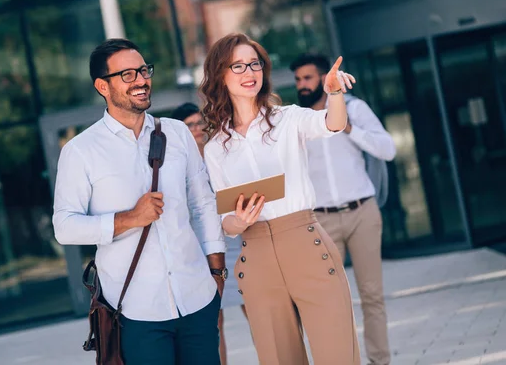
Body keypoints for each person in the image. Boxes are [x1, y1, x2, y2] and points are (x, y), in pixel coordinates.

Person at [52, 38, 227, 365]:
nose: (142, 80)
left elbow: (203, 205)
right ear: (103, 86)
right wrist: (130, 218)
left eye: (143, 70)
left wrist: (217, 273)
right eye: (128, 75)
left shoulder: (176, 134)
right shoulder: (80, 151)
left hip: (197, 300)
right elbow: (65, 227)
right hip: (135, 312)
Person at [201, 32, 361, 365]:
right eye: (238, 66)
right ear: (220, 75)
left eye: (255, 64)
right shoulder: (216, 147)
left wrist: (333, 92)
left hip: (305, 243)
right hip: (255, 256)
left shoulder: (289, 119)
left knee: (337, 355)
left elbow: (332, 123)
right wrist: (238, 221)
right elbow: (224, 221)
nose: (249, 73)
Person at [290, 53, 396, 365]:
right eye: (298, 80)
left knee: (372, 295)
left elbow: (387, 149)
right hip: (320, 220)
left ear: (326, 79)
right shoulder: (296, 120)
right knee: (331, 301)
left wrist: (349, 128)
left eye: (308, 78)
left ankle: (380, 360)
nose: (302, 85)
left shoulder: (354, 108)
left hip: (362, 212)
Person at [171, 102, 248, 365]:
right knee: (214, 321)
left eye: (198, 122)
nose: (196, 129)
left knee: (257, 310)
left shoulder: (221, 153)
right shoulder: (177, 165)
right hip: (205, 250)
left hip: (238, 243)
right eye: (189, 125)